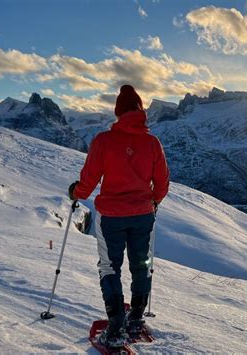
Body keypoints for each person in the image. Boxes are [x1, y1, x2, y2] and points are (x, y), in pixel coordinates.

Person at [68, 84, 169, 347]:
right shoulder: (152, 143)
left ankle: (115, 329)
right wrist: (153, 201)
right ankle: (135, 317)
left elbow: (88, 182)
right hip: (143, 215)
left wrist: (75, 193)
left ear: (118, 112)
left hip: (111, 216)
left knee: (109, 266)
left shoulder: (104, 141)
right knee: (141, 264)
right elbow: (162, 184)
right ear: (140, 112)